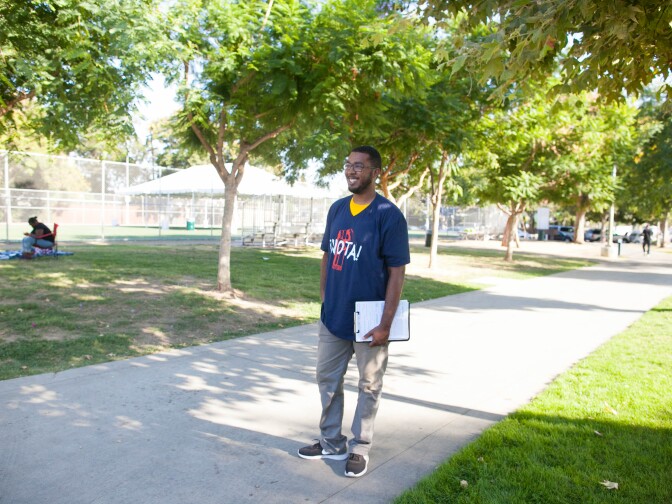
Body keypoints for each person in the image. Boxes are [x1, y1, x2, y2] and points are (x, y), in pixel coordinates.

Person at [298, 146, 410, 478]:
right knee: (327, 379)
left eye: (359, 166)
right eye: (348, 165)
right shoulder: (336, 210)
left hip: (370, 320)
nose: (351, 171)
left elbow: (397, 272)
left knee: (369, 384)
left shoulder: (388, 215)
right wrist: (324, 299)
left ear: (375, 172)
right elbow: (326, 256)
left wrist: (386, 323)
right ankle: (331, 442)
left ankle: (360, 446)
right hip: (333, 315)